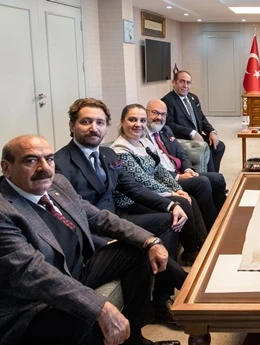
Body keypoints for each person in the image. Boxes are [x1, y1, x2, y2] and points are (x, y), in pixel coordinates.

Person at [0, 135, 181, 345]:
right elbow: (36, 275)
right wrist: (100, 306)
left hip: (71, 270)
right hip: (24, 307)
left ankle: (134, 343)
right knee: (84, 316)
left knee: (137, 251)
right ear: (6, 167)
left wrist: (149, 240)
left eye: (49, 158)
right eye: (31, 160)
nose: (44, 167)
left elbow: (98, 217)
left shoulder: (57, 184)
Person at [55, 98, 191, 325]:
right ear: (72, 125)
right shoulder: (60, 164)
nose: (93, 128)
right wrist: (104, 240)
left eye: (99, 123)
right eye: (86, 122)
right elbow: (69, 215)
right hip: (93, 234)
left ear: (106, 126)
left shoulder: (107, 155)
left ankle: (161, 297)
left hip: (117, 219)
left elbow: (133, 187)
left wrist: (170, 204)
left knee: (170, 220)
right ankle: (190, 287)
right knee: (141, 244)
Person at [110, 104, 208, 266]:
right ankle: (192, 252)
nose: (138, 124)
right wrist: (172, 193)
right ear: (122, 121)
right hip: (131, 201)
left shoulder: (144, 142)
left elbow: (159, 171)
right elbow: (143, 181)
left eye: (142, 120)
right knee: (182, 202)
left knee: (187, 197)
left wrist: (176, 188)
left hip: (149, 193)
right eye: (132, 120)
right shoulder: (120, 150)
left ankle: (204, 244)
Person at [145, 99, 226, 229]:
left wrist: (188, 169)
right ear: (146, 113)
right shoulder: (142, 137)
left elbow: (181, 153)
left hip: (180, 172)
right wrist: (178, 177)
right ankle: (213, 227)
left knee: (218, 178)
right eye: (155, 113)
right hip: (166, 179)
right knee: (202, 182)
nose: (159, 117)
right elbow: (152, 168)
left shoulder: (165, 130)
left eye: (163, 114)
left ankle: (223, 216)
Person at [161, 70, 225, 172]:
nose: (185, 86)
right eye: (182, 81)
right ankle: (212, 178)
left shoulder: (193, 98)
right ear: (174, 82)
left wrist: (211, 131)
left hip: (197, 136)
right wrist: (192, 133)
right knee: (206, 149)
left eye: (188, 82)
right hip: (184, 139)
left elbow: (201, 118)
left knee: (219, 146)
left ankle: (214, 176)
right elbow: (169, 125)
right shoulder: (167, 101)